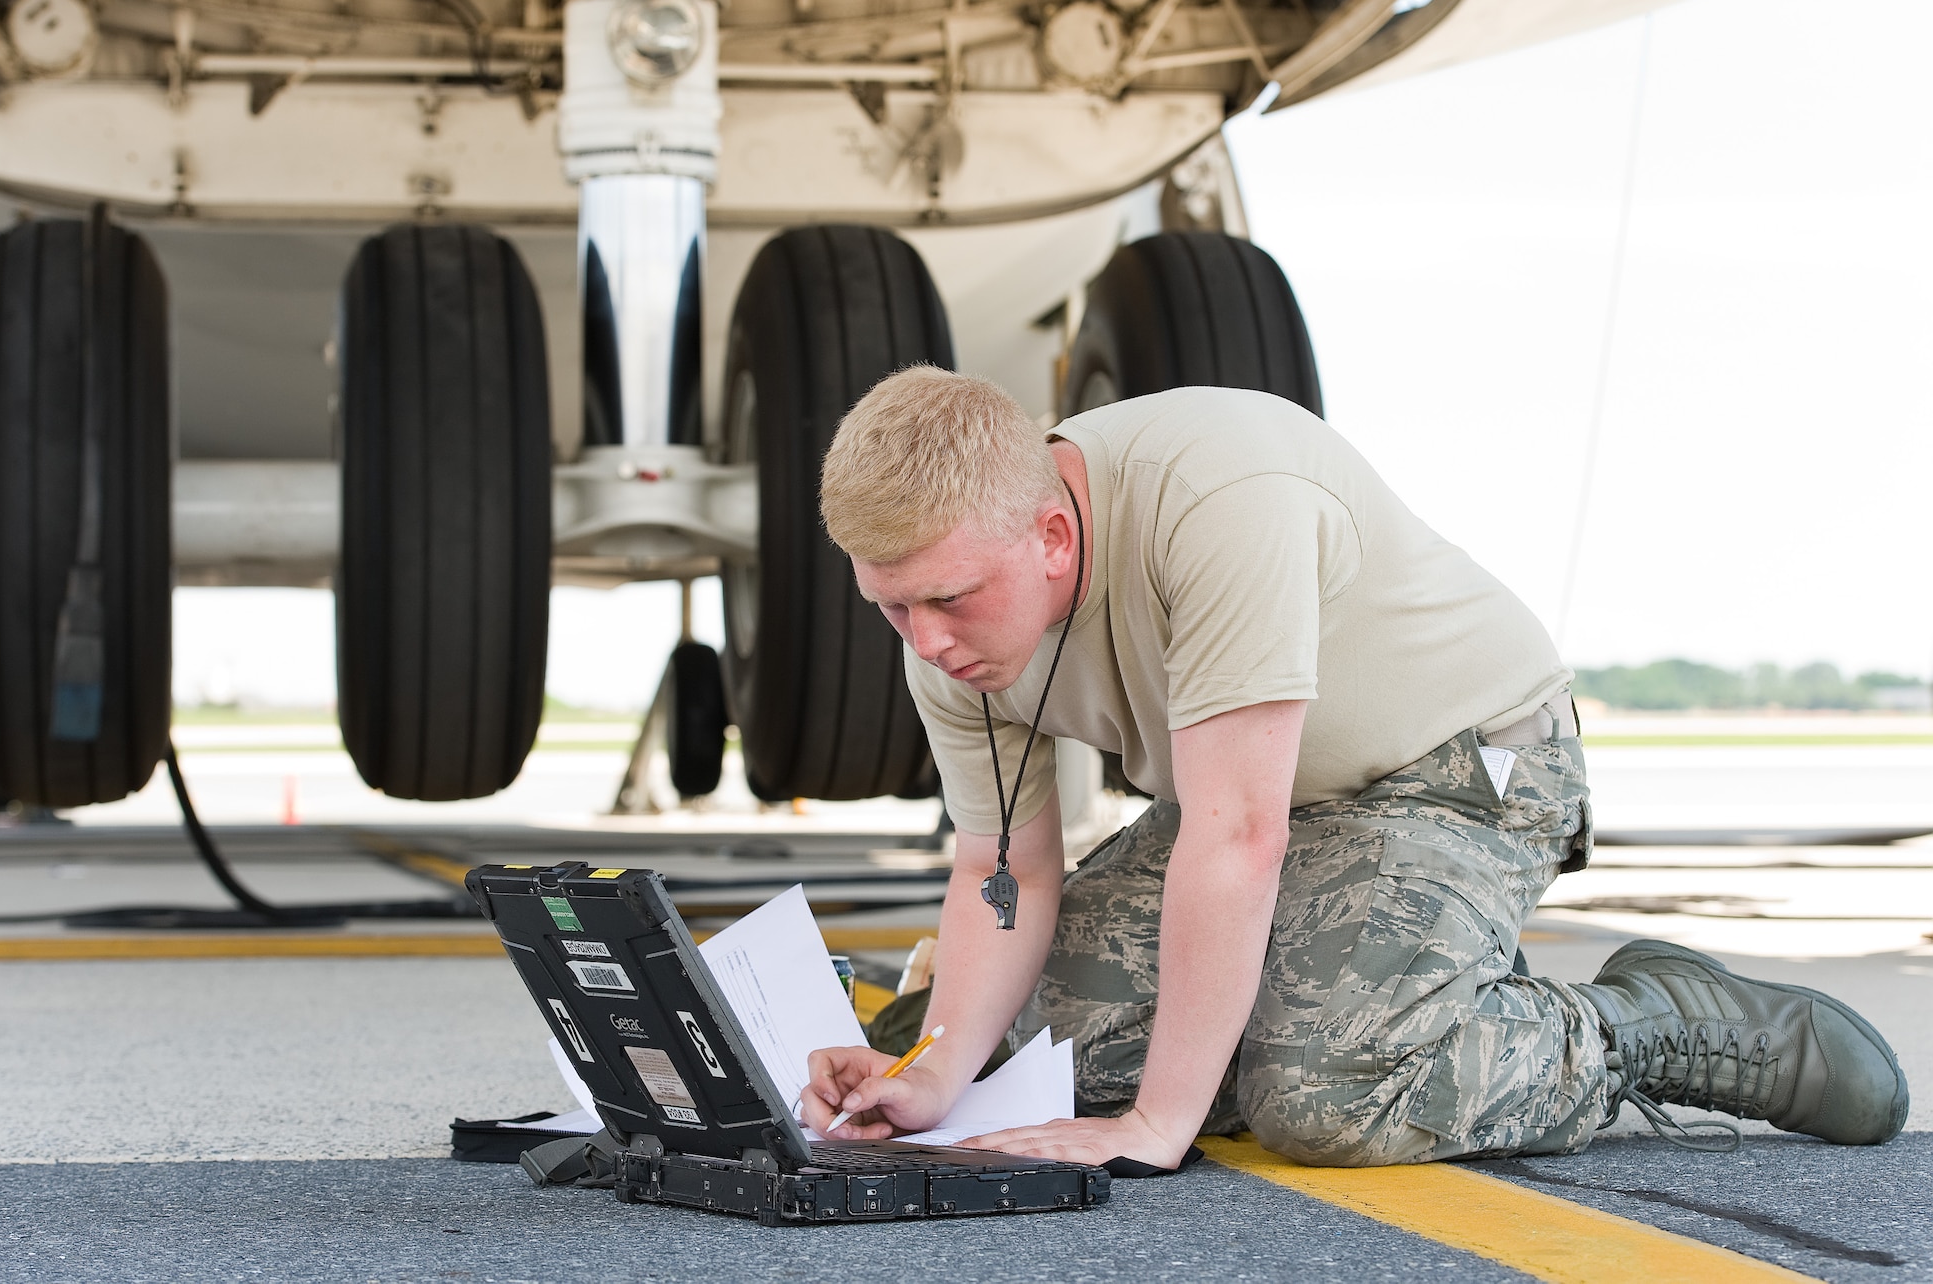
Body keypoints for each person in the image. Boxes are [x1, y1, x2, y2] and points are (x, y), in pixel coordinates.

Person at [797, 366, 1909, 1170]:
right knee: (986, 1051)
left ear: (1048, 534)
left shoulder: (1218, 496)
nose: (927, 641)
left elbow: (1237, 839)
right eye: (889, 607)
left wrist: (1154, 1126)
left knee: (1322, 1100)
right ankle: (1387, 984)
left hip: (1457, 771)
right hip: (1268, 809)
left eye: (946, 599)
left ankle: (1637, 1022)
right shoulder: (946, 629)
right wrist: (937, 1072)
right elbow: (1004, 874)